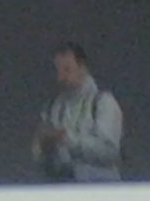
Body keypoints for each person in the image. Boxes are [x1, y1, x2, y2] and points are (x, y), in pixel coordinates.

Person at [32, 42, 123, 181]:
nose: (61, 77)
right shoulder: (52, 108)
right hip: (63, 190)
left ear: (82, 68)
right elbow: (39, 159)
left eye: (67, 70)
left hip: (100, 192)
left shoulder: (103, 103)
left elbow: (110, 153)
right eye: (58, 71)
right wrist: (44, 147)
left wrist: (67, 139)